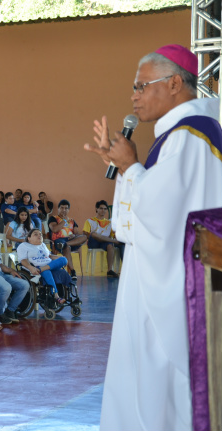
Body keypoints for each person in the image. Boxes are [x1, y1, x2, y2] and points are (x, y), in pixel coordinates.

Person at [83, 45, 222, 431]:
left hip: (175, 286)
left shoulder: (190, 136)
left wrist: (130, 167)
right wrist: (127, 169)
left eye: (141, 86)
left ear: (175, 83)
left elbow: (162, 218)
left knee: (162, 388)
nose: (133, 96)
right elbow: (141, 219)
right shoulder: (186, 135)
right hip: (168, 275)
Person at [17, 229, 72, 304]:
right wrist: (31, 268)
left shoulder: (42, 245)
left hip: (47, 266)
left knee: (64, 259)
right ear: (29, 238)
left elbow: (49, 256)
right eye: (35, 234)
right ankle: (56, 296)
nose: (39, 235)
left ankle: (42, 269)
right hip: (35, 268)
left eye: (40, 234)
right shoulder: (24, 246)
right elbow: (22, 260)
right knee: (46, 272)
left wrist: (61, 259)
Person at [83, 200, 124, 278]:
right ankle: (114, 242)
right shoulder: (90, 221)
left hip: (105, 242)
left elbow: (112, 235)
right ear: (97, 209)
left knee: (110, 245)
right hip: (93, 242)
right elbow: (86, 235)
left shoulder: (109, 223)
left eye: (105, 209)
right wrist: (98, 237)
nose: (103, 210)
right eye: (101, 208)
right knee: (94, 234)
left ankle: (109, 270)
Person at [48, 200, 87, 280]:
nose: (64, 210)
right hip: (59, 241)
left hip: (71, 241)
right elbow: (55, 229)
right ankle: (72, 271)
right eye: (62, 208)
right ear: (58, 209)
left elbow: (76, 233)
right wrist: (64, 220)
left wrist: (74, 235)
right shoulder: (53, 218)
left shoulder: (72, 221)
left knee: (84, 237)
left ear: (69, 210)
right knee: (66, 247)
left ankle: (67, 244)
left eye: (66, 208)